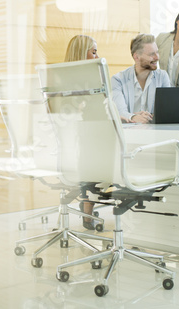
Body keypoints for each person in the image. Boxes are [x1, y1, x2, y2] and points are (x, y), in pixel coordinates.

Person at [64, 34, 99, 230]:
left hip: (67, 147)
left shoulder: (58, 78)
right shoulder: (87, 81)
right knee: (96, 151)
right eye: (93, 52)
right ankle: (87, 209)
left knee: (92, 148)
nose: (97, 56)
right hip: (80, 143)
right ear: (81, 54)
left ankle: (87, 204)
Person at [111, 33, 171, 124]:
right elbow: (119, 112)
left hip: (155, 132)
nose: (157, 57)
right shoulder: (117, 80)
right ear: (136, 57)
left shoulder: (162, 77)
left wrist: (146, 117)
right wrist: (134, 117)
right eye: (152, 54)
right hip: (129, 133)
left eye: (157, 52)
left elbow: (167, 111)